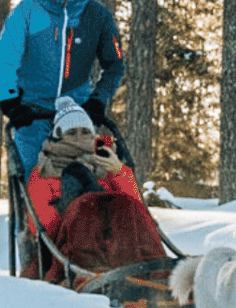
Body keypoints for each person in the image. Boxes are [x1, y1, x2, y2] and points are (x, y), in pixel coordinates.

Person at [0, 0, 125, 175]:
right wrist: (11, 102)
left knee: (96, 170)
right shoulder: (27, 11)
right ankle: (29, 210)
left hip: (80, 112)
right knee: (35, 175)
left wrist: (98, 100)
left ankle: (100, 209)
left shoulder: (96, 15)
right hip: (32, 111)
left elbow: (115, 65)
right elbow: (5, 60)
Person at [23, 97, 151, 280]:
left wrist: (119, 172)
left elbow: (138, 212)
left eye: (85, 132)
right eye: (71, 132)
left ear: (93, 135)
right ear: (58, 135)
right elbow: (45, 230)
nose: (79, 138)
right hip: (67, 252)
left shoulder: (107, 163)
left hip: (120, 247)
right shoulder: (44, 172)